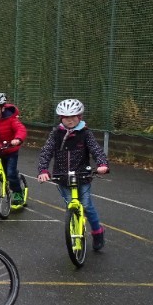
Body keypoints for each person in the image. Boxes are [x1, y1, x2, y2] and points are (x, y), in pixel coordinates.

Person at [37, 98, 110, 250]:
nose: (70, 120)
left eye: (73, 117)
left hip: (82, 175)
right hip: (62, 176)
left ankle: (97, 231)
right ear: (61, 118)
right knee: (71, 205)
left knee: (87, 206)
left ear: (79, 117)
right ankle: (75, 229)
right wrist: (43, 170)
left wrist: (102, 164)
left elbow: (96, 150)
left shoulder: (85, 133)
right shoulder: (56, 134)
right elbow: (46, 152)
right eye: (66, 117)